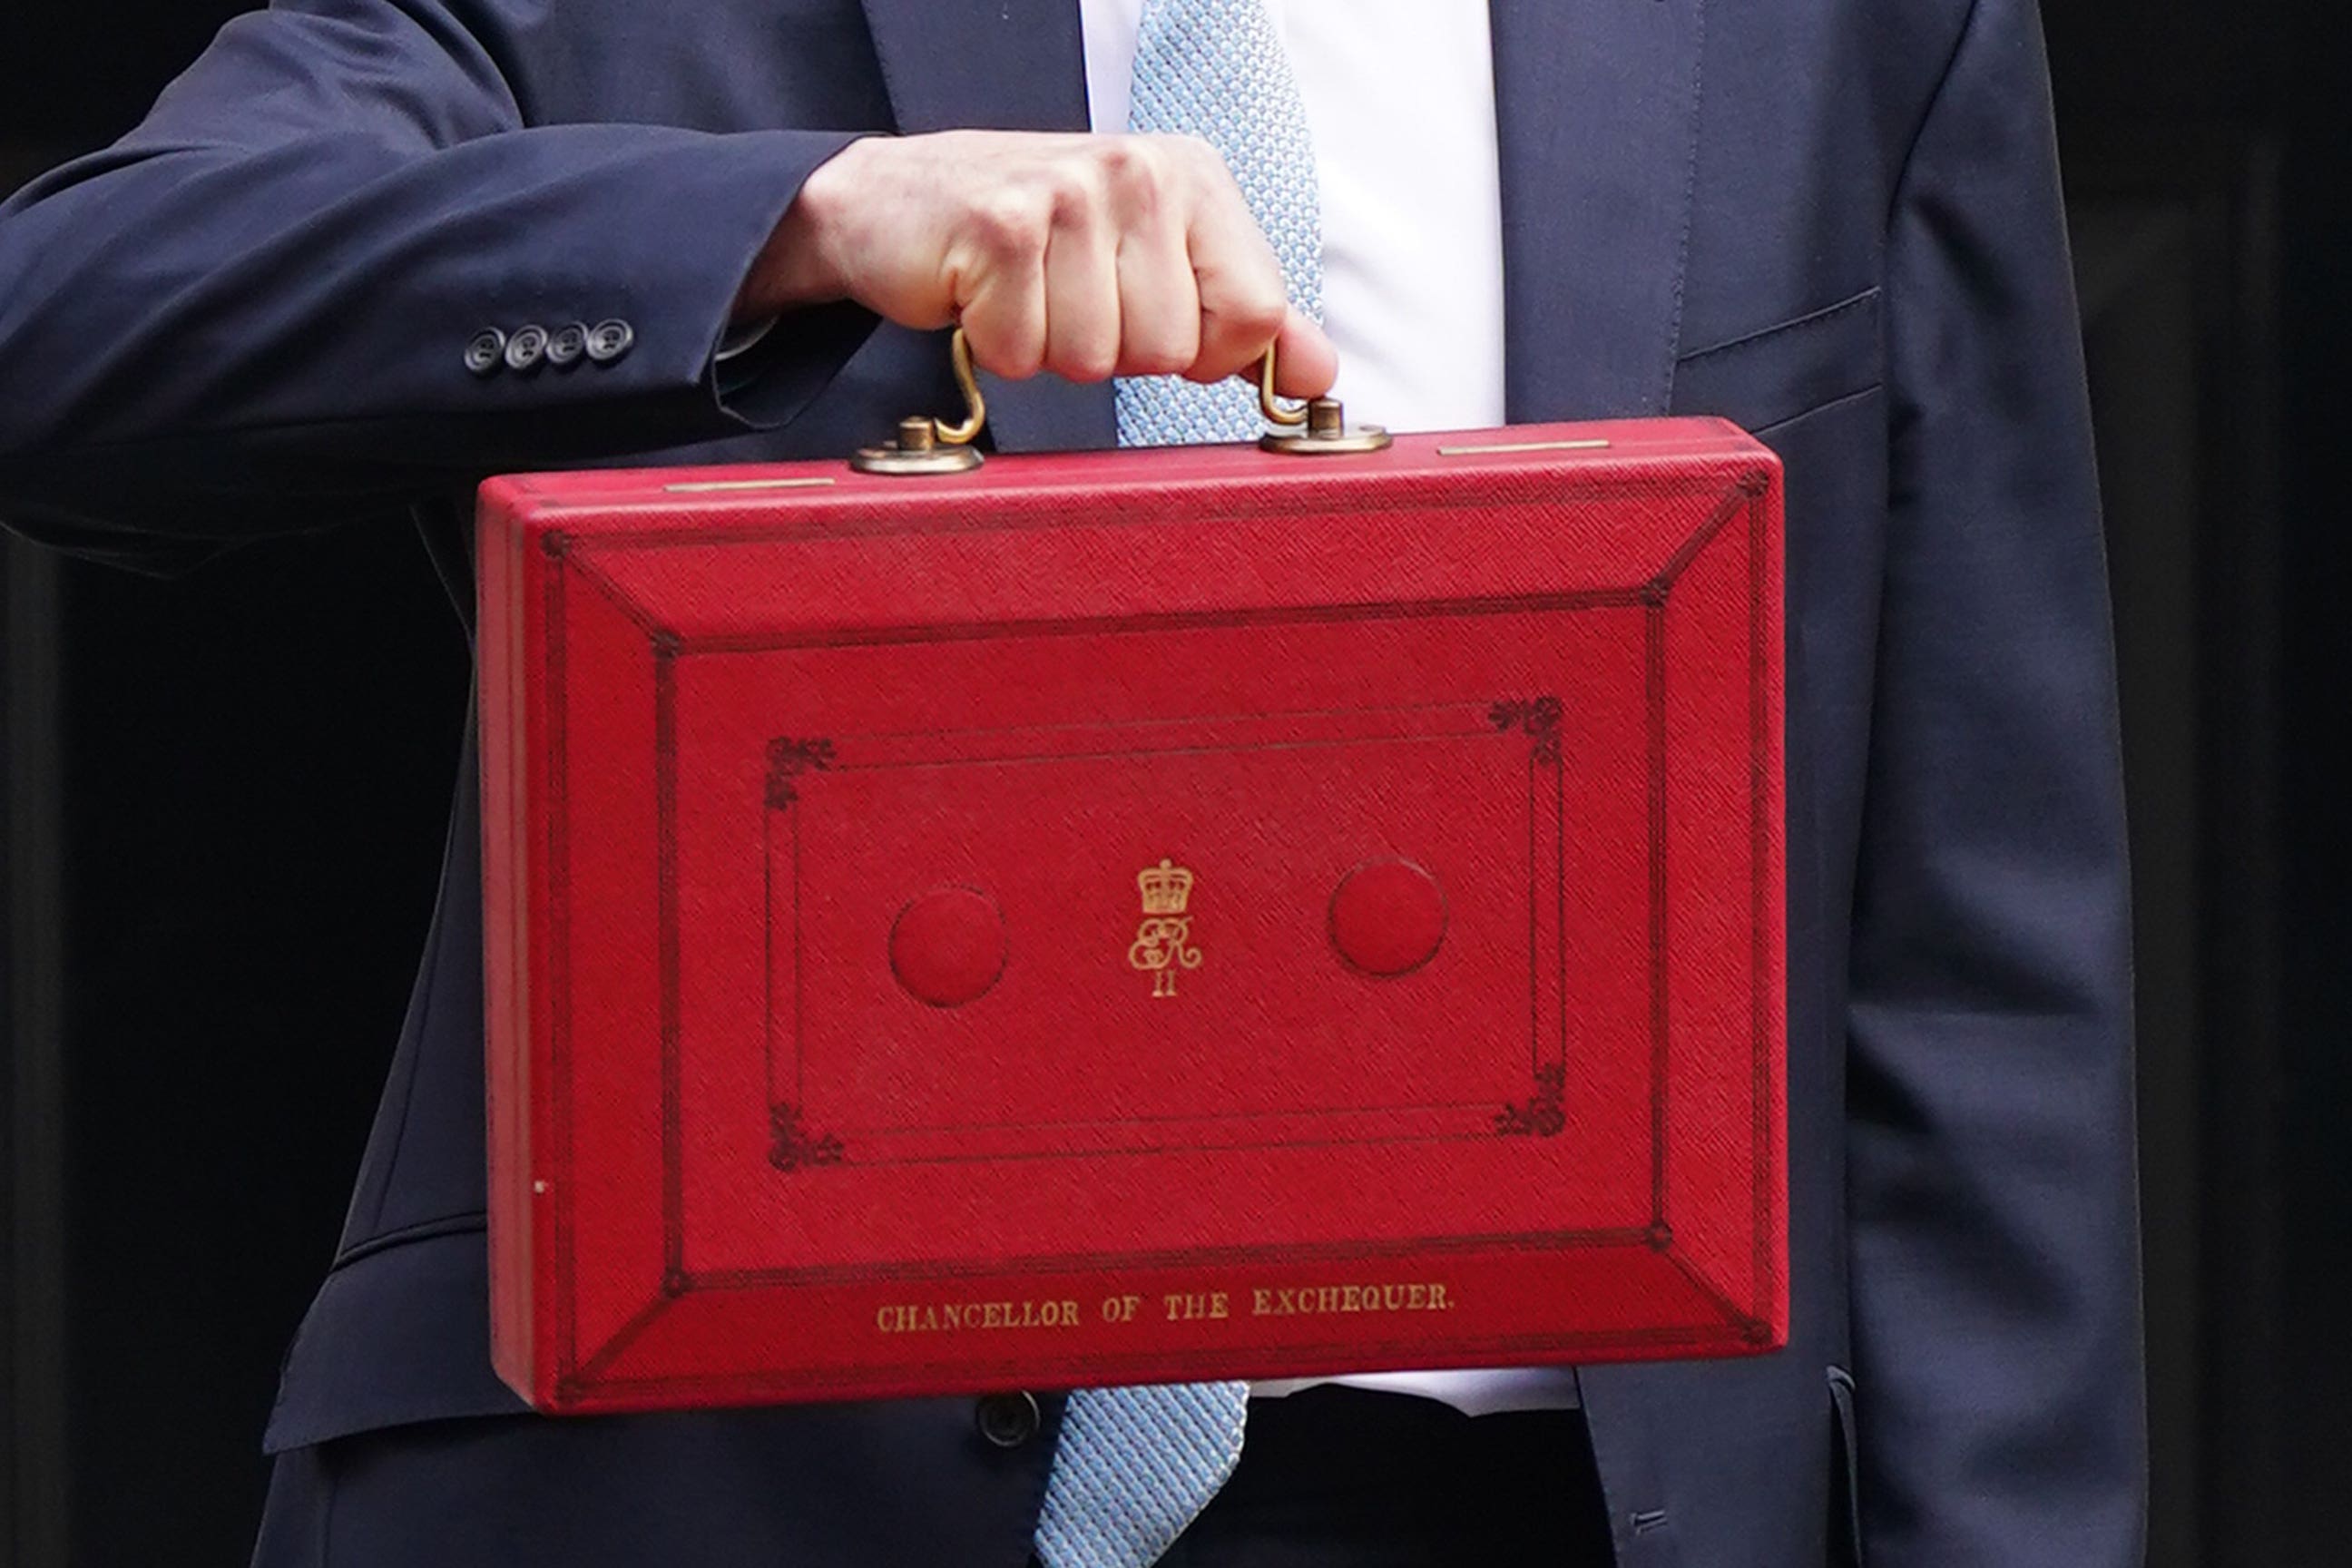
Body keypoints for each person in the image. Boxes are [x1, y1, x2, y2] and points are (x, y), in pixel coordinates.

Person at [0, 0, 2144, 1563]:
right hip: (712, 1481)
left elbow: (1971, 943)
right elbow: (76, 317)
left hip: (1538, 1488)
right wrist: (788, 226)